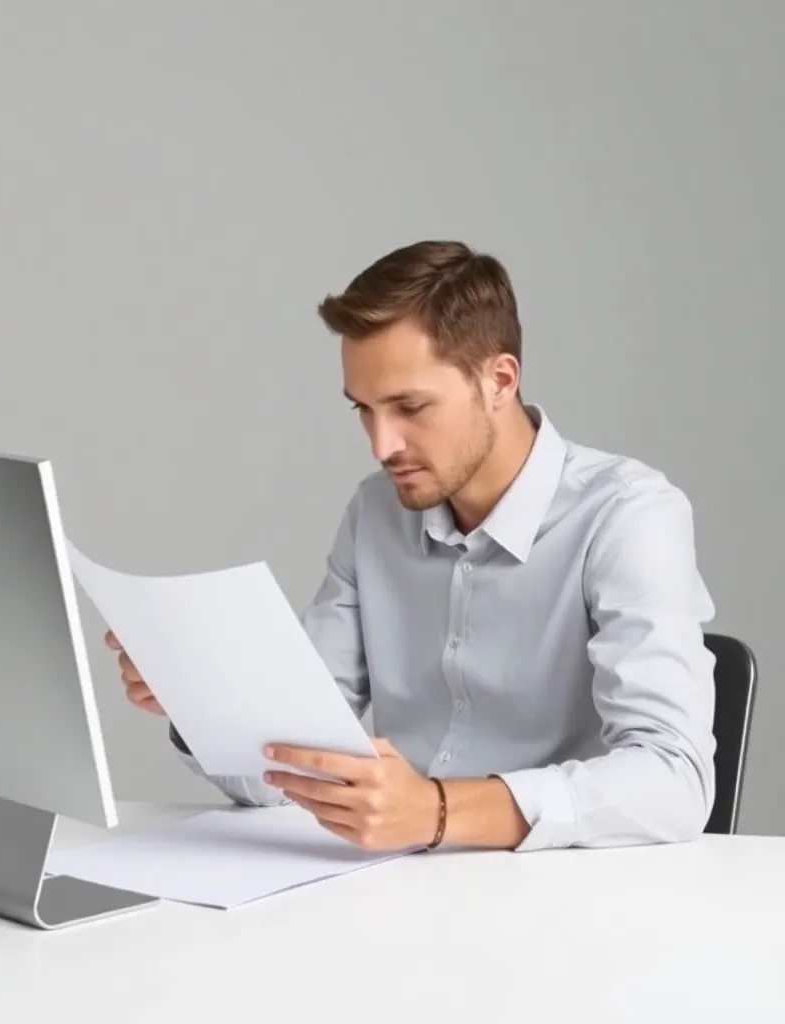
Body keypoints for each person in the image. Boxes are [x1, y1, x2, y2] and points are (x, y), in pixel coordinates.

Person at [106, 239, 717, 854]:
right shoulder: (375, 513)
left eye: (410, 407)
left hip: (571, 902)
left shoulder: (628, 516)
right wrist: (197, 700)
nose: (382, 444)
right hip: (396, 891)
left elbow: (674, 780)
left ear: (499, 380)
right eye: (364, 410)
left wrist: (437, 811)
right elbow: (288, 769)